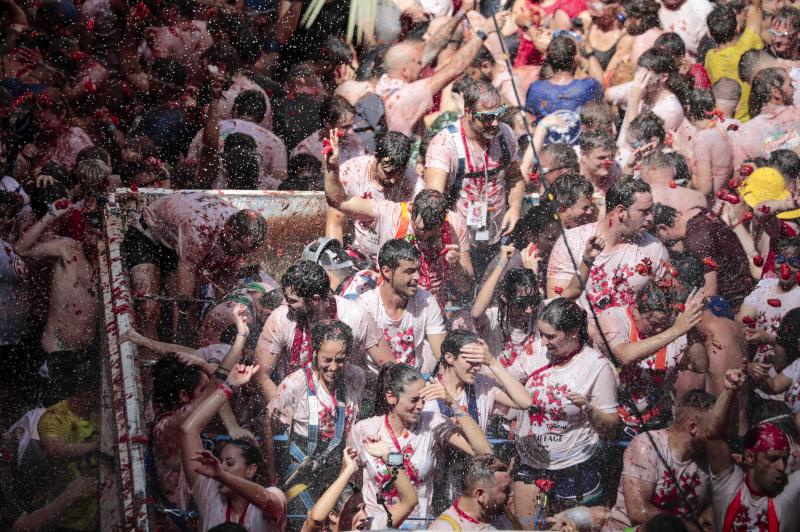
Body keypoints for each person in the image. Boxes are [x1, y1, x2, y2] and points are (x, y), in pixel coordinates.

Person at [509, 298, 618, 523]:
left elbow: (611, 426)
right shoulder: (534, 352)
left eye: (551, 336)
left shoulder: (596, 366)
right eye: (541, 334)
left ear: (574, 332)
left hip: (574, 467)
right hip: (529, 463)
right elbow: (507, 382)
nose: (544, 342)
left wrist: (589, 410)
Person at [347, 362, 492, 528]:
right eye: (414, 400)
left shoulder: (432, 423)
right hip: (376, 525)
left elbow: (483, 452)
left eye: (423, 399)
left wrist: (452, 403)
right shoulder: (364, 429)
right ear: (391, 397)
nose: (421, 406)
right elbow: (351, 483)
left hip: (418, 525)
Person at [120, 192, 268, 342]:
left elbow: (224, 284)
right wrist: (184, 335)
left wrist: (223, 309)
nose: (241, 255)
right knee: (149, 309)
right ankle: (151, 357)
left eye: (247, 251)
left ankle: (171, 343)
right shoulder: (200, 229)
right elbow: (185, 296)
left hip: (175, 243)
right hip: (147, 236)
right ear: (229, 231)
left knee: (181, 314)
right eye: (239, 249)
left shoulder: (241, 233)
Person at [424, 80, 524, 277]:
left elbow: (515, 177)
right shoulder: (445, 144)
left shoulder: (505, 134)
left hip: (496, 235)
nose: (495, 123)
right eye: (487, 118)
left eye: (499, 115)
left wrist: (515, 207)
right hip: (459, 241)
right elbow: (433, 201)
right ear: (468, 112)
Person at [254, 260, 391, 402]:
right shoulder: (281, 318)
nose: (285, 304)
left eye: (292, 300)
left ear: (315, 299)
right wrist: (283, 413)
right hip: (296, 402)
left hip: (344, 402)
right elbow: (261, 375)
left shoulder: (355, 316)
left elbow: (388, 366)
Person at [265, 320, 364, 512]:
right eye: (327, 360)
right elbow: (269, 424)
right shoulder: (294, 384)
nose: (334, 367)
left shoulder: (356, 377)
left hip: (340, 468)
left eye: (341, 360)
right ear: (314, 353)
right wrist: (271, 479)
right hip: (303, 473)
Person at [14, 188, 100, 405]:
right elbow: (21, 249)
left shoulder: (109, 263)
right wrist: (51, 215)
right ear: (84, 228)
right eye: (90, 232)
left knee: (75, 423)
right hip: (57, 353)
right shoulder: (66, 249)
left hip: (86, 355)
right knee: (48, 420)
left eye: (100, 235)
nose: (94, 239)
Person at [181, 363, 287, 532]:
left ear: (251, 470)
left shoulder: (268, 501)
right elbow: (188, 431)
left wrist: (222, 476)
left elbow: (267, 501)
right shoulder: (209, 494)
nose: (220, 467)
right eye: (221, 461)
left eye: (229, 463)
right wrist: (230, 385)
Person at [595, 282, 708, 431]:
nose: (660, 328)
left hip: (655, 420)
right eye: (654, 323)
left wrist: (690, 327)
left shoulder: (675, 326)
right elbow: (625, 355)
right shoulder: (613, 317)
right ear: (635, 311)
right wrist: (676, 330)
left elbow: (701, 366)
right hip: (611, 420)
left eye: (664, 322)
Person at [546, 178, 670, 312]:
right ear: (621, 211)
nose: (651, 218)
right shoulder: (572, 241)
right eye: (644, 212)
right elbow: (555, 308)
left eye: (651, 211)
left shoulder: (656, 250)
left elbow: (664, 308)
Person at [602, 390, 715, 531]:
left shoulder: (710, 458)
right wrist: (689, 527)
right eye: (715, 427)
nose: (720, 433)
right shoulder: (648, 446)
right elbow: (638, 512)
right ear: (693, 427)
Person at [706, 368, 800, 531]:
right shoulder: (728, 484)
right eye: (772, 458)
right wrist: (730, 392)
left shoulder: (790, 491)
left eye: (784, 459)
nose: (781, 467)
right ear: (749, 458)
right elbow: (713, 434)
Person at [325, 130, 418, 262]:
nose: (393, 180)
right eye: (388, 172)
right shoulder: (351, 173)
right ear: (376, 158)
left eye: (399, 173)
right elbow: (335, 224)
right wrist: (336, 265)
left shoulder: (412, 181)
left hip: (397, 257)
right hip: (357, 254)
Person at [356, 239, 446, 372]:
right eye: (409, 271)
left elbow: (443, 357)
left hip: (413, 383)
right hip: (375, 386)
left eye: (418, 270)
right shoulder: (365, 307)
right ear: (386, 271)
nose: (417, 277)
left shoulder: (426, 301)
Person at [653, 202, 755, 308]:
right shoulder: (697, 210)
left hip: (734, 299)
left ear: (663, 228)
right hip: (746, 280)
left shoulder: (695, 240)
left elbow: (711, 291)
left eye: (659, 237)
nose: (662, 243)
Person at [303, 446, 414, 532]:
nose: (364, 516)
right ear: (333, 515)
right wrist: (349, 470)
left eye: (364, 509)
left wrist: (388, 454)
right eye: (354, 511)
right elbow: (315, 519)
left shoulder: (371, 527)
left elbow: (410, 501)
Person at [738, 237, 800, 383]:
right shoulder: (765, 286)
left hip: (788, 380)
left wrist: (769, 339)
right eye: (780, 260)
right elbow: (741, 322)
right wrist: (748, 365)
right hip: (758, 375)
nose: (785, 268)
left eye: (794, 262)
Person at [703, 1, 764, 122]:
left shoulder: (709, 57)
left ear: (710, 34)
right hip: (750, 121)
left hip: (724, 123)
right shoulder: (747, 46)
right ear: (737, 28)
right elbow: (756, 7)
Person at [732, 67, 800, 168]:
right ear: (775, 92)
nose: (793, 89)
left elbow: (740, 173)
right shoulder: (796, 115)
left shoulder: (743, 132)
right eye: (789, 84)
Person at [525, 35, 603, 123]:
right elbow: (601, 84)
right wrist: (589, 54)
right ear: (574, 61)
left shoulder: (536, 89)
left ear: (549, 60)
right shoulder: (588, 87)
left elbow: (529, 120)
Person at [430, 455, 513, 530]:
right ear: (480, 494)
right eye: (505, 490)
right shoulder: (446, 528)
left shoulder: (501, 518)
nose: (512, 493)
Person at [682, 89, 734, 197]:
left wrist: (684, 184)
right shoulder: (721, 131)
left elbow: (704, 189)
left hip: (708, 205)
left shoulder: (701, 139)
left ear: (688, 110)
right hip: (722, 198)